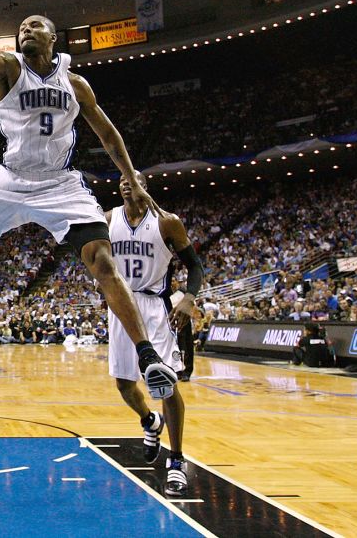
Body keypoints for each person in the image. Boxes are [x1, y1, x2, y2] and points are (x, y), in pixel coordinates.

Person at [0, 16, 178, 400]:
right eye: (20, 28)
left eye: (35, 26)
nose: (25, 31)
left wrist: (132, 176)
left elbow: (107, 132)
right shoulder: (11, 68)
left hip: (60, 183)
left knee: (103, 261)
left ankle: (148, 356)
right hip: (11, 179)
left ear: (54, 37)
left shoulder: (74, 83)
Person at [105, 172, 203, 497]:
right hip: (120, 306)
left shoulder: (167, 222)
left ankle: (176, 460)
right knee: (124, 385)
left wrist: (189, 298)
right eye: (120, 178)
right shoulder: (108, 219)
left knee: (166, 384)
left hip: (153, 306)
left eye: (132, 178)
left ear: (145, 188)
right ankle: (149, 421)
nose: (124, 181)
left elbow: (196, 266)